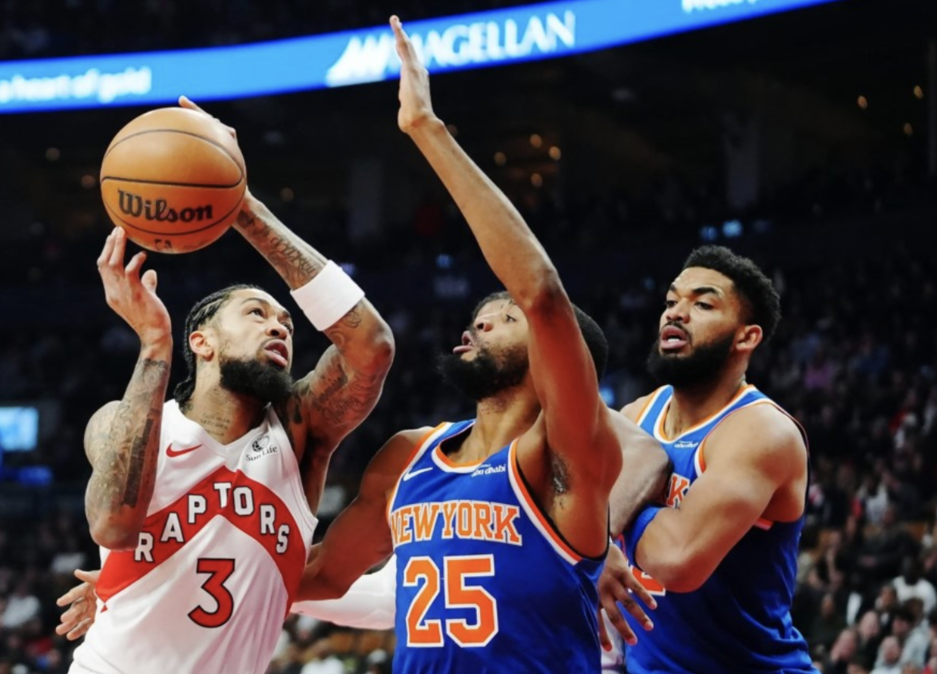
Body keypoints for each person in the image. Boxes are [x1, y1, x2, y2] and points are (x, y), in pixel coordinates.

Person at [295, 16, 660, 674]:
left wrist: (426, 131)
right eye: (478, 318)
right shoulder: (408, 455)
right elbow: (319, 575)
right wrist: (156, 576)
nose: (477, 326)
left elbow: (542, 293)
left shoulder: (561, 454)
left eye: (503, 317)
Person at [68, 98, 395, 674]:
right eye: (255, 313)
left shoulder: (299, 434)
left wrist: (239, 204)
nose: (278, 326)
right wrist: (153, 346)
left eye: (286, 322)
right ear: (202, 341)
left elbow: (371, 347)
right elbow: (113, 525)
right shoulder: (119, 421)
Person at [612, 244, 817, 672]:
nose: (676, 313)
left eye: (703, 304)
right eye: (671, 301)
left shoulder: (762, 431)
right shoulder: (636, 416)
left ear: (747, 336)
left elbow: (677, 560)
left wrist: (611, 516)